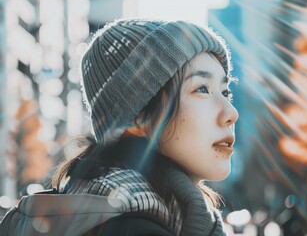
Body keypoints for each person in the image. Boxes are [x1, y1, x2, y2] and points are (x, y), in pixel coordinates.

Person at [0, 18, 238, 235]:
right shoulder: (133, 227)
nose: (231, 113)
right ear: (138, 115)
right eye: (202, 89)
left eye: (226, 92)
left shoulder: (115, 214)